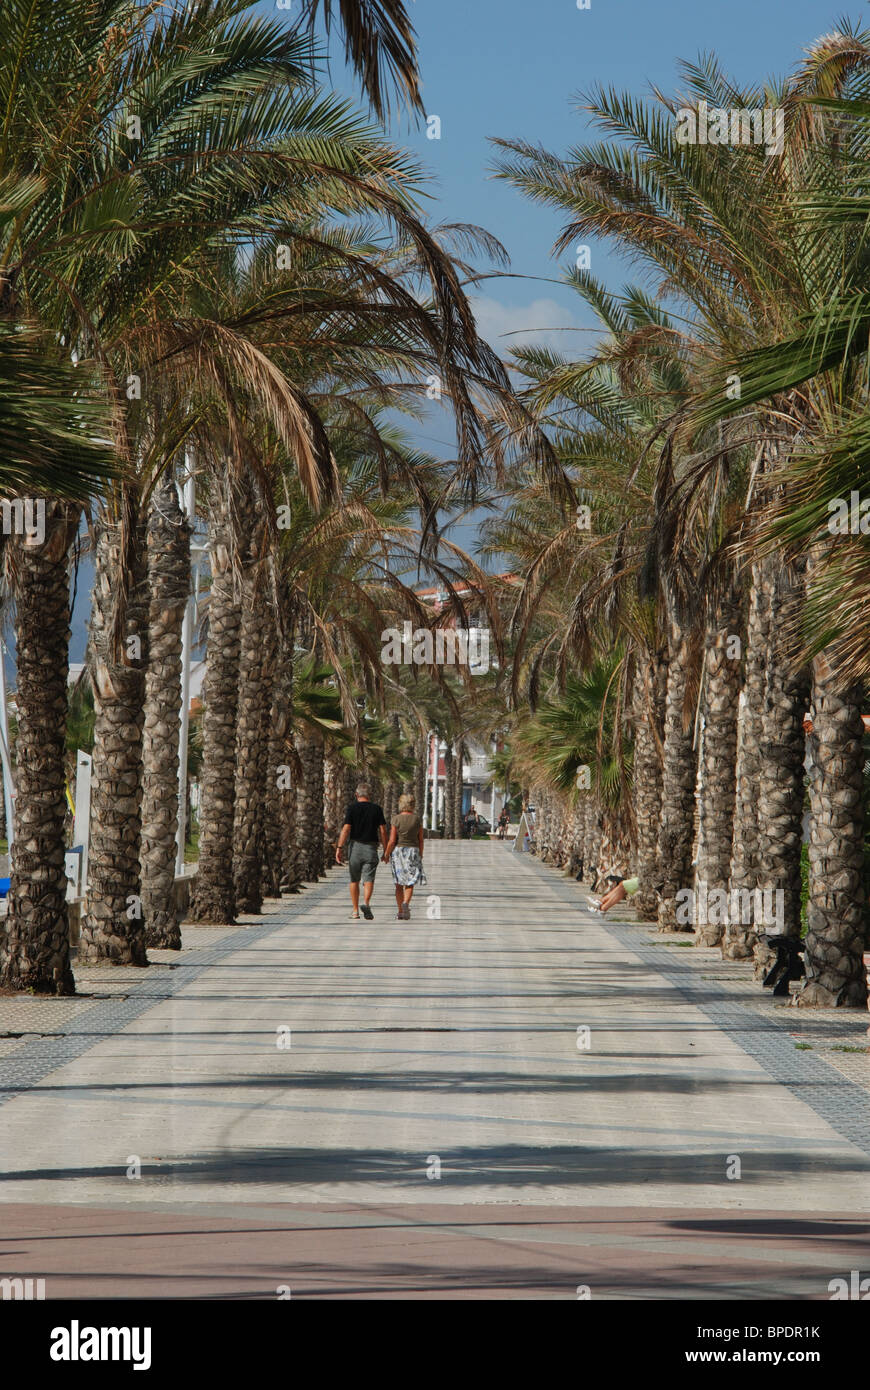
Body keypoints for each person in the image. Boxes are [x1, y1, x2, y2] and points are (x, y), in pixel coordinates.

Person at [335, 783, 388, 920]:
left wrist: (339, 847)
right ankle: (366, 903)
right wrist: (386, 850)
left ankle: (355, 911)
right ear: (369, 795)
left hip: (355, 848)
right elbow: (382, 830)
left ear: (356, 795)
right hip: (371, 848)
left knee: (354, 880)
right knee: (368, 879)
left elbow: (346, 829)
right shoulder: (377, 809)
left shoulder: (352, 808)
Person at [383, 793, 427, 919]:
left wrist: (386, 854)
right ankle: (406, 903)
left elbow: (392, 840)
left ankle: (400, 911)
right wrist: (421, 854)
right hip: (413, 851)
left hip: (398, 852)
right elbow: (420, 840)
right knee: (410, 883)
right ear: (413, 805)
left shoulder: (396, 819)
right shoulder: (417, 819)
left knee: (398, 884)